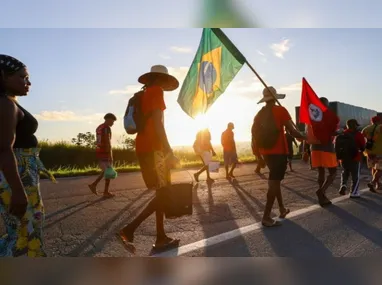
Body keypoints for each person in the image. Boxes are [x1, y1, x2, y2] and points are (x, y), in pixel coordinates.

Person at [116, 65, 180, 254]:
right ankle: (129, 230)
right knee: (165, 193)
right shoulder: (156, 92)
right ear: (161, 79)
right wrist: (169, 151)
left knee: (160, 193)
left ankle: (160, 237)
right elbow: (159, 126)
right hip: (155, 149)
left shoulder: (142, 95)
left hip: (143, 147)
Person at [0, 54, 56, 257]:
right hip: (17, 175)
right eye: (23, 77)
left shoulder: (9, 102)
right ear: (3, 76)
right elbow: (4, 149)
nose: (28, 82)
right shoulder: (5, 104)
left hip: (20, 173)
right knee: (27, 232)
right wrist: (17, 190)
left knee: (23, 230)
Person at [252, 86, 306, 227]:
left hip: (265, 152)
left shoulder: (259, 114)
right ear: (275, 98)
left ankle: (282, 209)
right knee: (274, 183)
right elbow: (292, 131)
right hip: (279, 152)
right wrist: (304, 137)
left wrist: (258, 154)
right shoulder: (281, 111)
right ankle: (266, 217)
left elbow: (253, 134)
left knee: (275, 182)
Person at [305, 97, 339, 206]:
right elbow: (332, 132)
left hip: (314, 148)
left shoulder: (311, 116)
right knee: (333, 172)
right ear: (326, 105)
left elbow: (307, 133)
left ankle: (322, 197)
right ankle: (321, 191)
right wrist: (339, 133)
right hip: (327, 147)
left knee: (321, 172)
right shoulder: (326, 116)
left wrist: (305, 151)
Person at [88, 113, 117, 198]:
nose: (113, 123)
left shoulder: (99, 127)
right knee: (108, 171)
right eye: (112, 121)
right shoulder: (106, 128)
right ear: (108, 119)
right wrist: (110, 155)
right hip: (105, 151)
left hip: (99, 151)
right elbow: (108, 141)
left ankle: (94, 185)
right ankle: (105, 192)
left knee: (106, 171)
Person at [338, 119, 366, 198]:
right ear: (355, 125)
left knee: (345, 172)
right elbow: (363, 147)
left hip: (343, 158)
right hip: (355, 157)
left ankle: (343, 184)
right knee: (355, 176)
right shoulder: (358, 134)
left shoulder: (342, 134)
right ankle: (354, 192)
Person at [362, 116, 382, 192]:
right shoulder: (380, 127)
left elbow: (362, 139)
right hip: (380, 151)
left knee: (374, 167)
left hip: (369, 151)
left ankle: (377, 184)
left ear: (371, 121)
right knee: (380, 169)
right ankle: (373, 182)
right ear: (379, 121)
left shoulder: (366, 129)